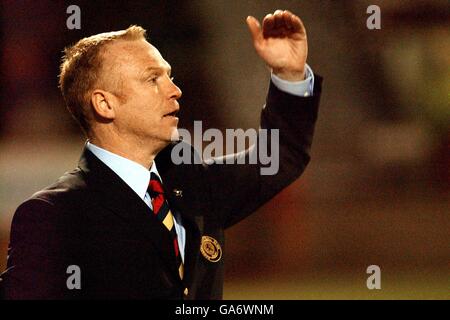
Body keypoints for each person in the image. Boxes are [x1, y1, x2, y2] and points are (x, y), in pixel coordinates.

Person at [0, 10, 322, 299]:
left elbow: (280, 158)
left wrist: (290, 76)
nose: (174, 89)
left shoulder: (191, 179)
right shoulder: (54, 214)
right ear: (104, 104)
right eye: (152, 79)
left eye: (169, 75)